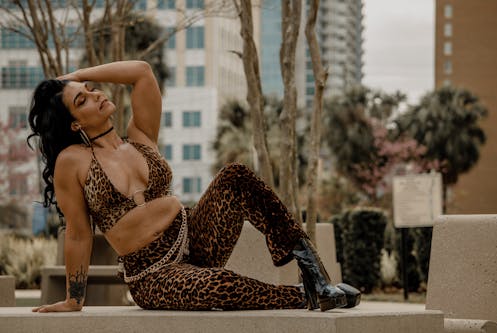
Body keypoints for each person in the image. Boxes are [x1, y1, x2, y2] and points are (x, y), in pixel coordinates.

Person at [28, 61, 360, 312]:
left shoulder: (140, 138)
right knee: (220, 285)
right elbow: (78, 232)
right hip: (154, 274)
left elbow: (142, 73)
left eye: (91, 87)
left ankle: (315, 275)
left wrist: (72, 76)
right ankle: (303, 297)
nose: (97, 94)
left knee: (235, 175)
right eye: (83, 100)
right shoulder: (74, 160)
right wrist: (74, 298)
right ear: (75, 123)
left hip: (195, 237)